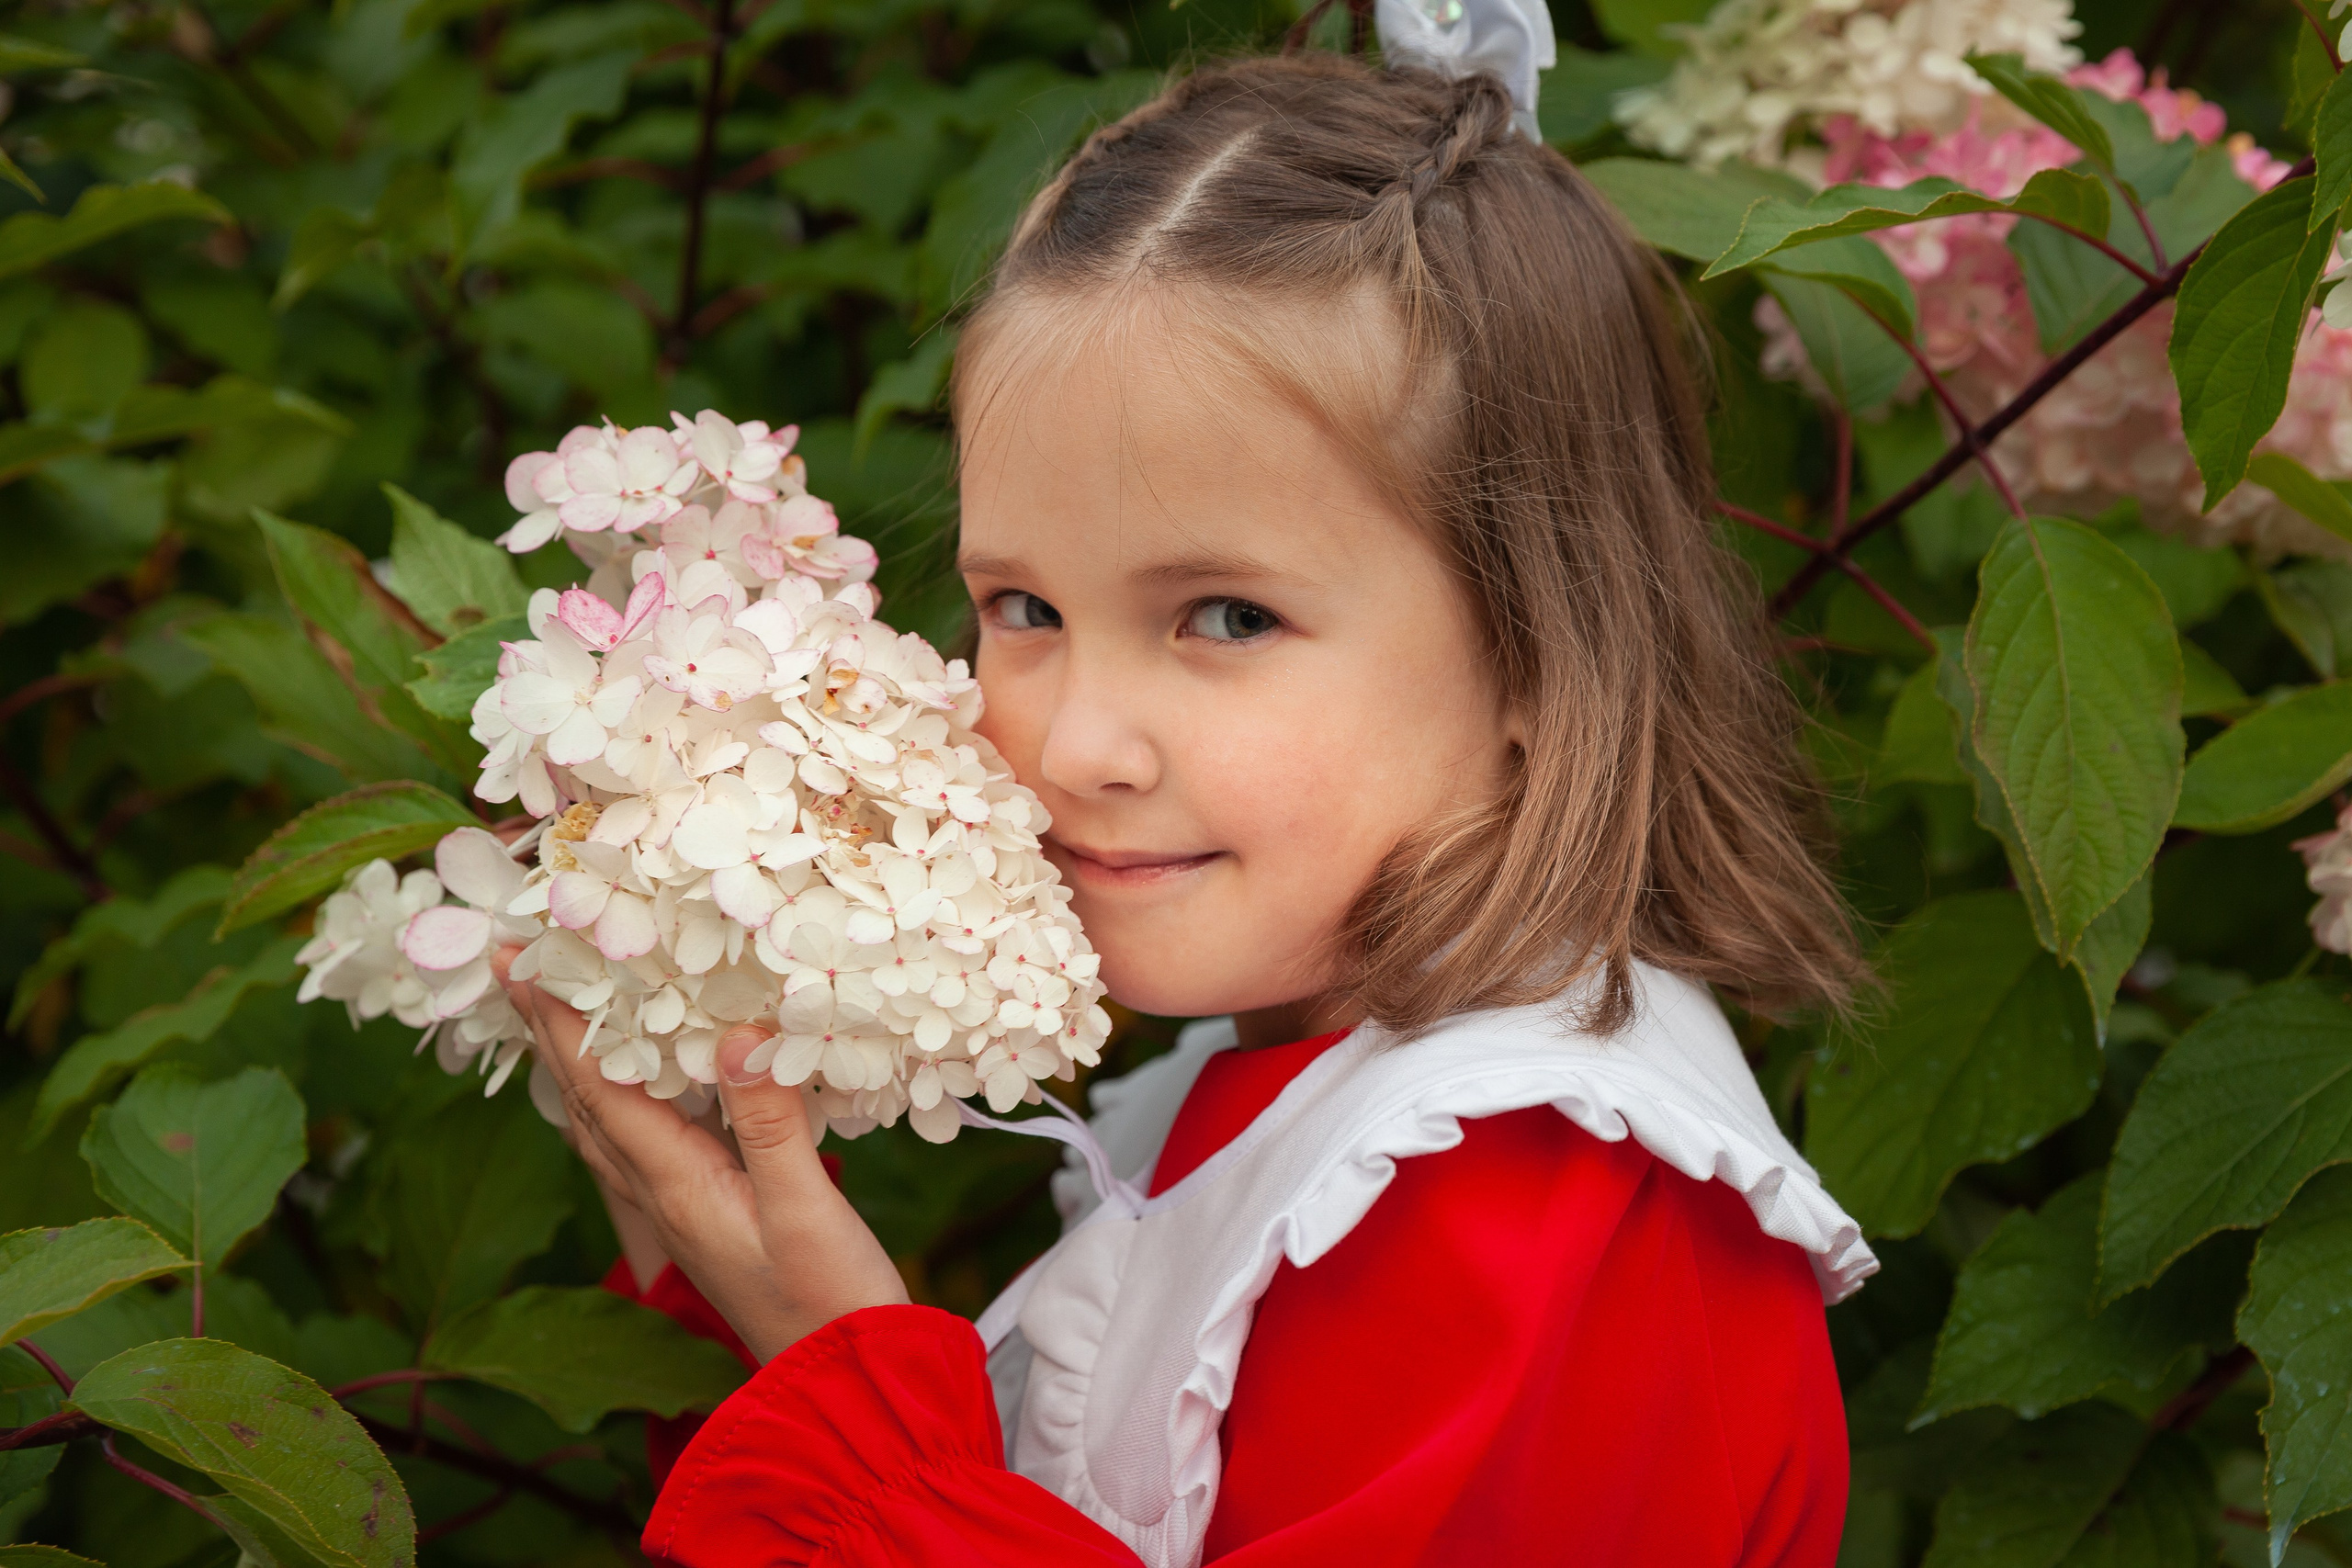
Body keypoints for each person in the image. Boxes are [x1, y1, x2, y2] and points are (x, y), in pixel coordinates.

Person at [494, 51, 1877, 1568]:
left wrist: (863, 1419)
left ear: (1542, 649)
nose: (1077, 741)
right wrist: (728, 1291)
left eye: (1224, 618)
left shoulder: (1543, 1211)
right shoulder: (1301, 1097)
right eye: (1020, 604)